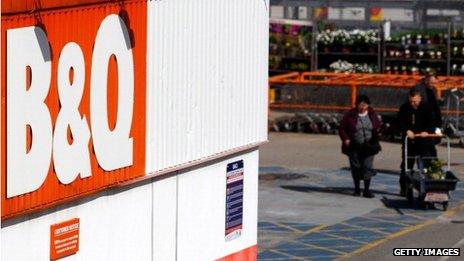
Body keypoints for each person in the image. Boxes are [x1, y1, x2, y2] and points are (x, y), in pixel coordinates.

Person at [339, 95, 382, 198]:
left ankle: (367, 190)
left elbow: (378, 126)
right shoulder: (350, 115)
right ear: (357, 105)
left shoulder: (372, 114)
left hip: (369, 145)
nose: (363, 107)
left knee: (367, 166)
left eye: (365, 105)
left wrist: (378, 134)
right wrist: (346, 139)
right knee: (356, 167)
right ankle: (357, 189)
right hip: (354, 145)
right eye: (361, 105)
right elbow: (342, 129)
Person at [397, 89, 436, 196]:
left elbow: (432, 122)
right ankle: (404, 188)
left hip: (423, 141)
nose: (413, 103)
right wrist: (406, 130)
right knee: (406, 165)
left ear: (420, 98)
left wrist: (427, 131)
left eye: (415, 101)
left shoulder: (427, 108)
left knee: (424, 165)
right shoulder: (404, 108)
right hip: (409, 141)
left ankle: (424, 188)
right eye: (411, 101)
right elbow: (400, 121)